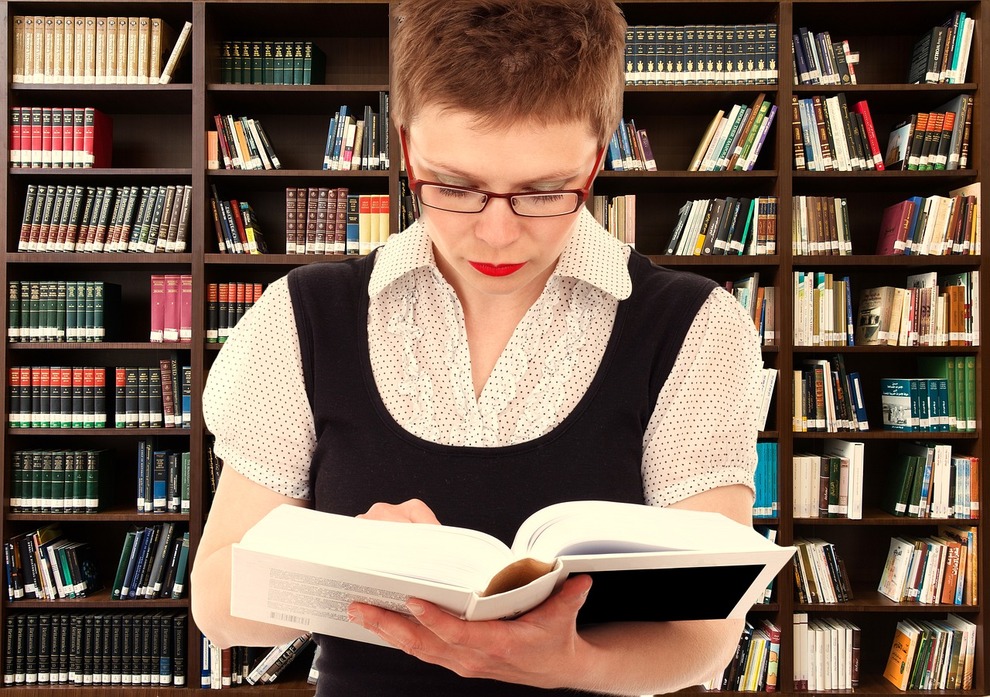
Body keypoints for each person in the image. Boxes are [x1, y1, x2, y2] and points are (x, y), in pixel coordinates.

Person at [191, 1, 765, 694]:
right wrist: (340, 558)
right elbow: (217, 608)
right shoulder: (301, 315)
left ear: (598, 155)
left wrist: (572, 665)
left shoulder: (696, 327)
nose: (496, 234)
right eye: (454, 186)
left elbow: (704, 638)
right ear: (405, 148)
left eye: (545, 191)